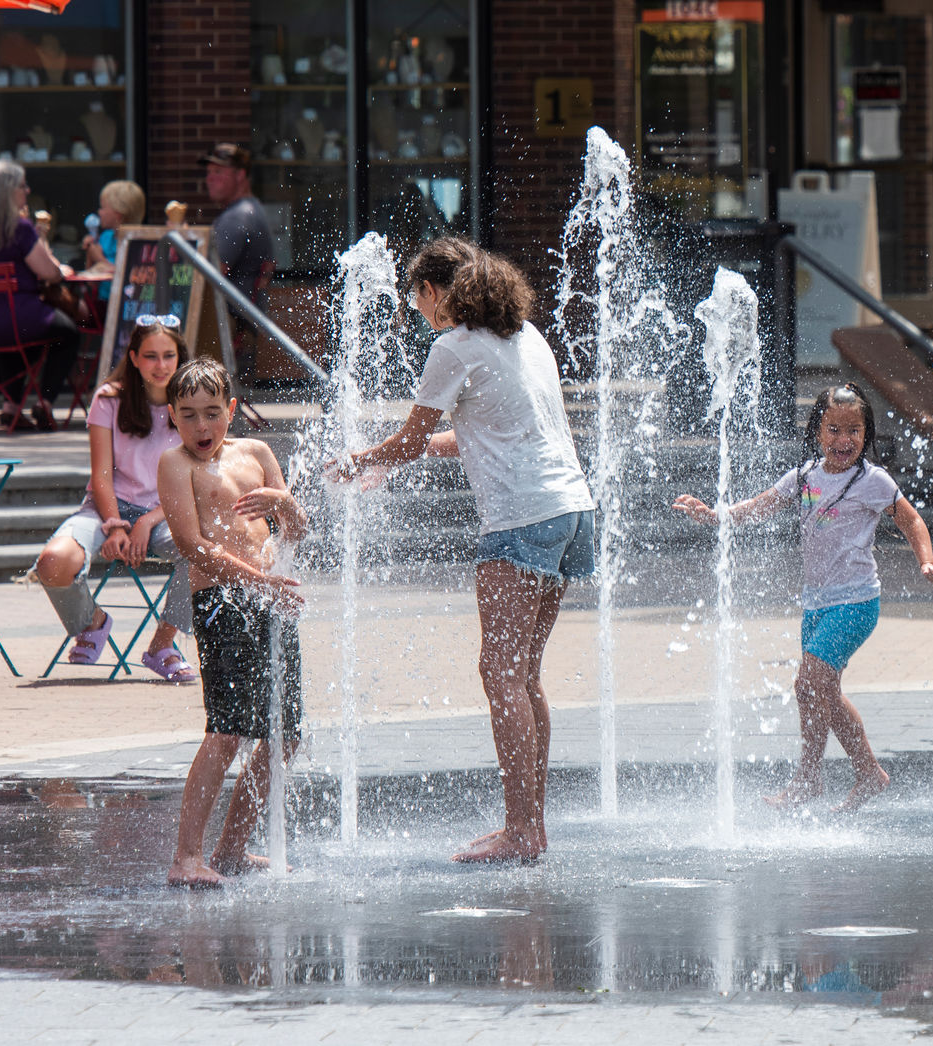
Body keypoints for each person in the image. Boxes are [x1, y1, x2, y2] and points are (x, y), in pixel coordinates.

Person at [335, 238, 595, 863]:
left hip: (520, 518)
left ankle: (521, 830)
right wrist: (394, 458)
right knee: (523, 673)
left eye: (415, 295)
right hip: (571, 509)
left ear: (433, 291)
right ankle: (532, 827)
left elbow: (407, 439)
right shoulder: (526, 336)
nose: (416, 308)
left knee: (499, 672)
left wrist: (356, 461)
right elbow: (483, 430)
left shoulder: (451, 346)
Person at [674, 385, 933, 813]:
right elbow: (759, 506)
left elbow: (912, 520)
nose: (844, 440)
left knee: (811, 683)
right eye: (834, 429)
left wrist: (926, 562)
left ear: (867, 434)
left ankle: (865, 772)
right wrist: (716, 516)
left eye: (855, 431)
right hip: (817, 604)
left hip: (857, 602)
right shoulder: (805, 477)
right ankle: (813, 779)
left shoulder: (872, 480)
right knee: (814, 691)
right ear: (818, 431)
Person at [159, 358, 307, 888]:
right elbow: (191, 544)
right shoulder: (176, 465)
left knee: (284, 734)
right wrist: (257, 581)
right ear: (172, 416)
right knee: (226, 731)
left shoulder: (258, 453)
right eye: (190, 415)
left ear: (233, 410)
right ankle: (185, 857)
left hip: (270, 601)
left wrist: (284, 503)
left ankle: (231, 850)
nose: (202, 428)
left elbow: (297, 531)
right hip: (222, 602)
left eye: (213, 414)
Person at [29, 320, 196, 683]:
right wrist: (116, 523)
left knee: (206, 550)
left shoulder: (192, 401)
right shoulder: (109, 398)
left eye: (169, 356)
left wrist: (147, 521)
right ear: (134, 358)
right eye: (150, 356)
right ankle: (92, 622)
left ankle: (163, 645)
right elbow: (101, 475)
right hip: (105, 509)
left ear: (180, 358)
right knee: (53, 561)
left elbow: (193, 482)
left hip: (165, 513)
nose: (160, 365)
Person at [0, 159, 81, 430]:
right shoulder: (18, 227)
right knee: (68, 333)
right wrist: (61, 271)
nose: (27, 190)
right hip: (12, 317)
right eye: (23, 185)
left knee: (28, 336)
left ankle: (12, 407)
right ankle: (44, 404)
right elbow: (47, 272)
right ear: (8, 191)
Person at [199, 142, 275, 373]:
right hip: (241, 323)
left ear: (241, 175)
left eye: (219, 172)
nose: (210, 178)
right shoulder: (249, 210)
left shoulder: (237, 217)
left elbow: (207, 278)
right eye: (209, 172)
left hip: (228, 326)